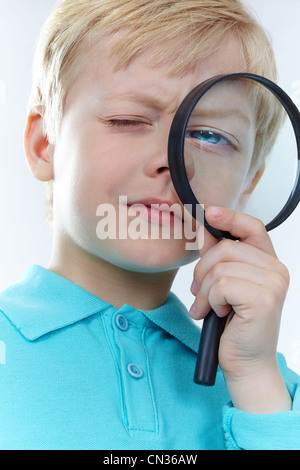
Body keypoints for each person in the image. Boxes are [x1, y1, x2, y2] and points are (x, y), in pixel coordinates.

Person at [0, 0, 299, 450]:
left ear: (249, 184)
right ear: (46, 144)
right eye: (128, 120)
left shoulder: (276, 396)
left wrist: (255, 381)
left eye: (210, 135)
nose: (170, 159)